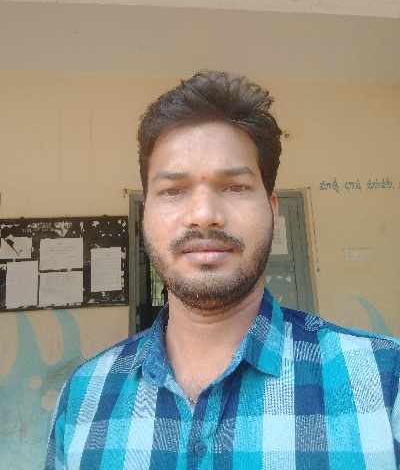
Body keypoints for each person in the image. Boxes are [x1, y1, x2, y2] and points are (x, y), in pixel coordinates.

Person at [45, 71, 400, 469]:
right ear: (146, 214)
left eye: (234, 187)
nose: (204, 214)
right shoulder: (84, 395)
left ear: (272, 209)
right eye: (173, 190)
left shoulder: (384, 380)